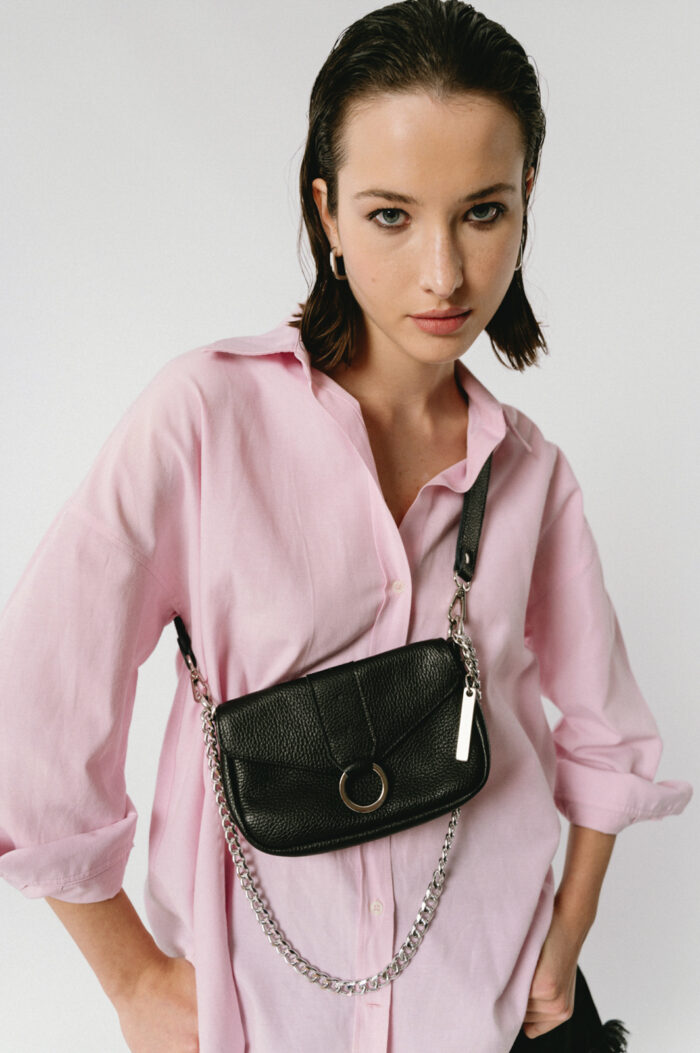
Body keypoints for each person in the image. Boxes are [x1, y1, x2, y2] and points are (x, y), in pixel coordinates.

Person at [0, 1, 692, 1051]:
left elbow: (608, 736)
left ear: (527, 199)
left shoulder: (530, 473)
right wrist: (132, 979)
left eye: (482, 212)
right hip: (264, 1021)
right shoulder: (204, 422)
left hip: (490, 1012)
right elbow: (34, 713)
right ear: (325, 210)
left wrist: (565, 936)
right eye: (390, 215)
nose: (443, 273)